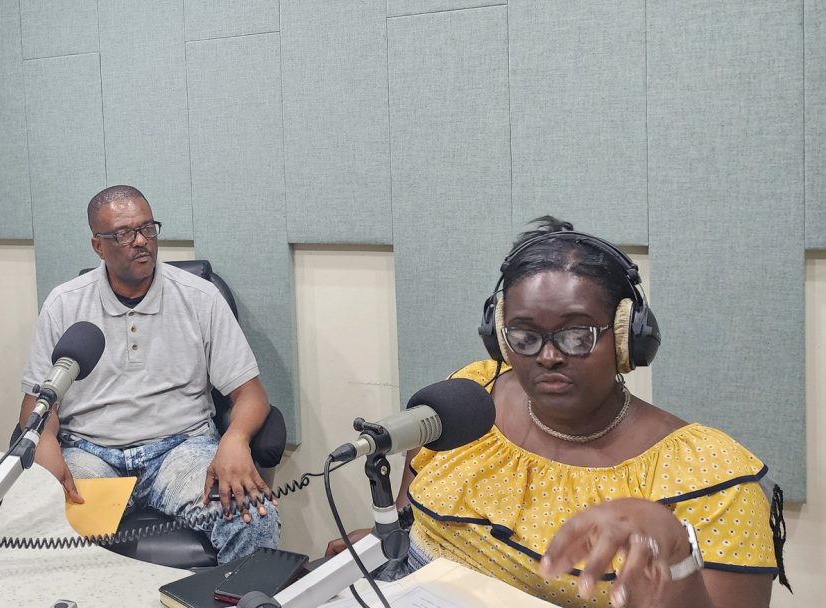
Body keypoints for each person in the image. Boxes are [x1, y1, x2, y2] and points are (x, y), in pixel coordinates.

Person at [328, 217, 785, 607]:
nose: (548, 356)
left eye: (577, 334)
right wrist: (371, 551)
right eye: (525, 335)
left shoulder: (710, 475)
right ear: (501, 337)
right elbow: (409, 519)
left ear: (627, 339)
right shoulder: (470, 396)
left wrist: (676, 551)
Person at [18, 185, 280, 564]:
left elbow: (250, 394)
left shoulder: (199, 297)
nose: (141, 242)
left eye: (148, 229)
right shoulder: (65, 303)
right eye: (124, 234)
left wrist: (236, 438)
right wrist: (45, 446)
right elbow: (38, 403)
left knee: (254, 516)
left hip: (180, 449)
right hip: (91, 453)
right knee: (33, 521)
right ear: (98, 246)